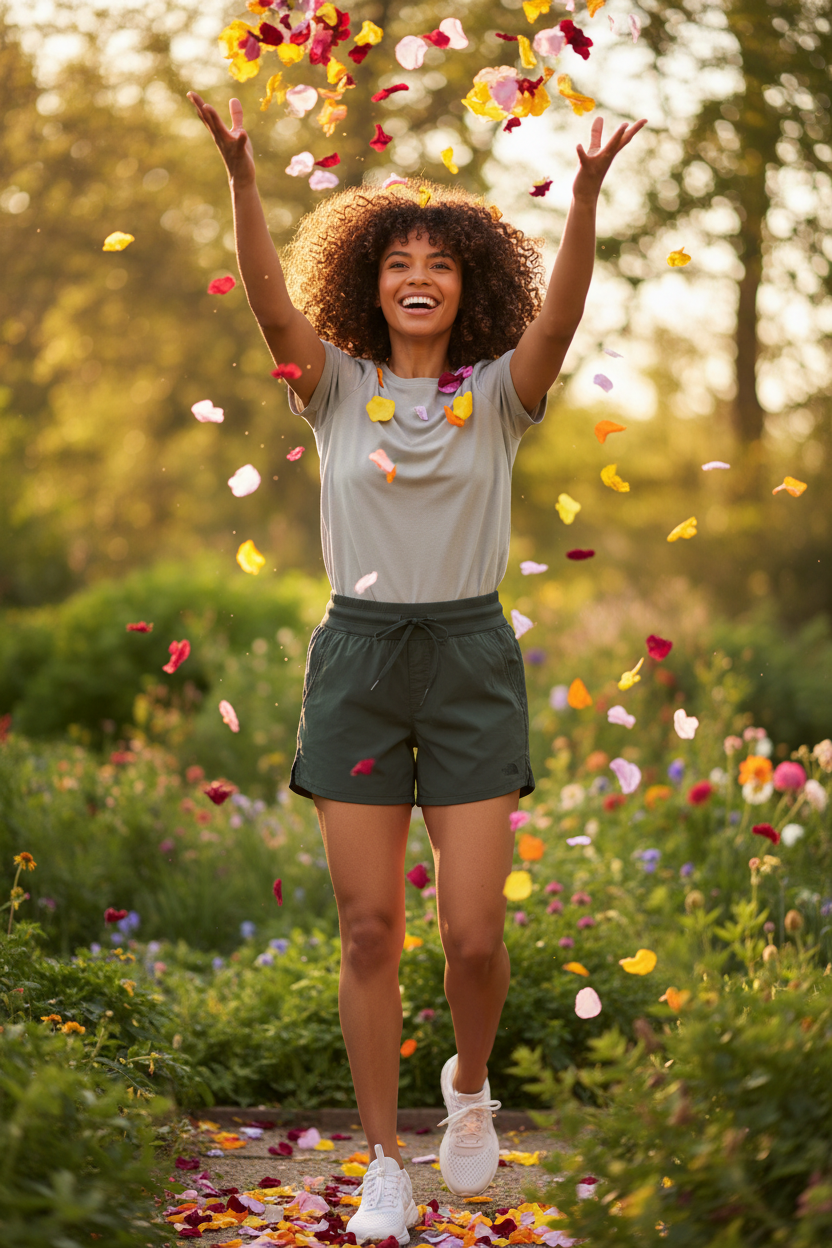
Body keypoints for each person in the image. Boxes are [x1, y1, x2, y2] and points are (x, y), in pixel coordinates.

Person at [188, 89, 645, 1244]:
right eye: (399, 259)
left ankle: (467, 1089)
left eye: (441, 259)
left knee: (476, 935)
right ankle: (386, 1157)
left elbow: (566, 316)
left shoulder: (497, 395)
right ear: (374, 283)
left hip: (468, 655)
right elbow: (265, 300)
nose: (419, 274)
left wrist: (585, 197)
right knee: (367, 927)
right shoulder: (334, 388)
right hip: (358, 658)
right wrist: (244, 178)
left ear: (469, 282)